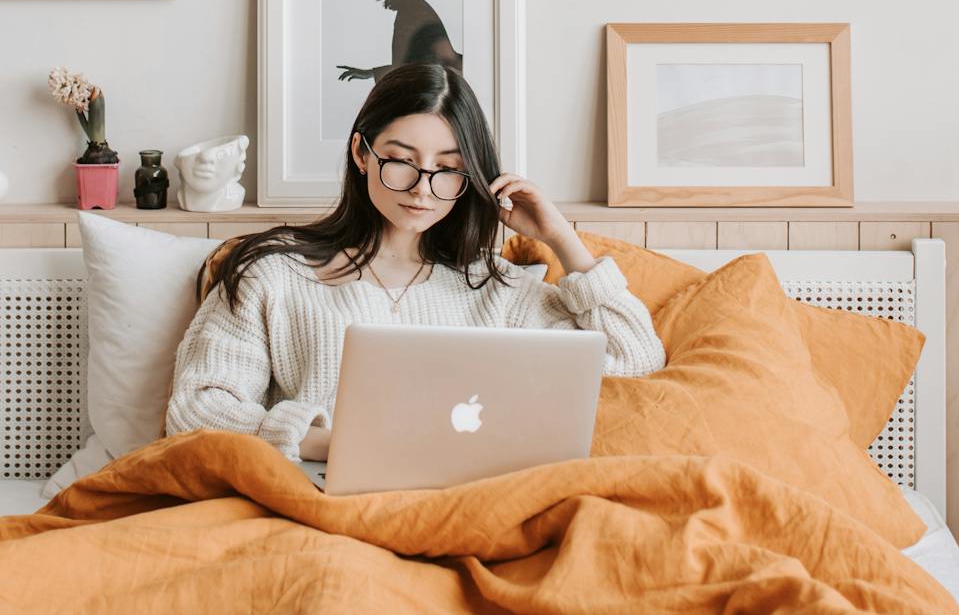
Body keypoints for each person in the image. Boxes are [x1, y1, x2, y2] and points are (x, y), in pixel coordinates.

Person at [165, 63, 665, 462]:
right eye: (402, 161)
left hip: (470, 504)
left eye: (448, 170)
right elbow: (197, 410)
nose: (424, 190)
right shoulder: (275, 274)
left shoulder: (499, 289)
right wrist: (328, 443)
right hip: (318, 497)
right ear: (362, 153)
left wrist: (561, 237)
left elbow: (635, 360)